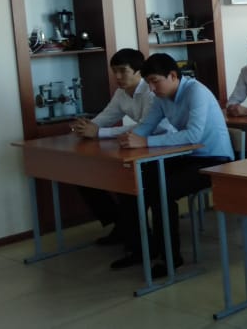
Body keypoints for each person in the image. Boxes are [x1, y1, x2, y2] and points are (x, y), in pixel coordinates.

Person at [111, 54, 233, 276]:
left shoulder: (195, 91)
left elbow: (194, 135)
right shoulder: (162, 97)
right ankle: (140, 248)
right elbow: (146, 126)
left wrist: (145, 142)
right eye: (148, 82)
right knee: (132, 180)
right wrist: (131, 138)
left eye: (155, 81)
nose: (152, 88)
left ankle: (170, 257)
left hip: (214, 160)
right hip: (187, 156)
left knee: (162, 190)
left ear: (173, 76)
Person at [71, 48, 174, 245]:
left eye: (122, 71)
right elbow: (106, 116)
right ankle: (122, 224)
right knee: (84, 175)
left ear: (138, 71)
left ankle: (130, 231)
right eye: (114, 71)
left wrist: (99, 132)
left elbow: (146, 127)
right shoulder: (121, 93)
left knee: (125, 181)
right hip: (139, 147)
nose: (117, 76)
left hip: (163, 147)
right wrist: (87, 126)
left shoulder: (151, 91)